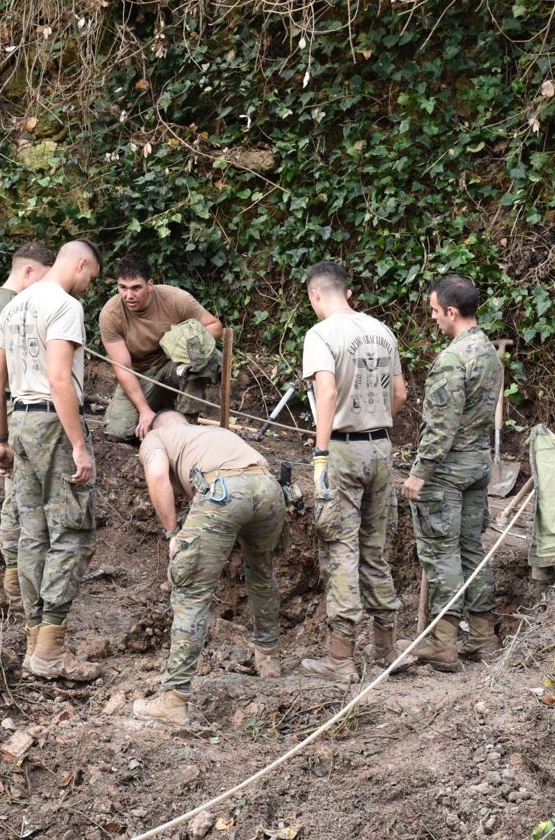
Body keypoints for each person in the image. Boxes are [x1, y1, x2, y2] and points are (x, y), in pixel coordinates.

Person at [0, 240, 104, 682]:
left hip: (19, 421)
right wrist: (78, 444)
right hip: (53, 423)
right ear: (80, 264)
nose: (89, 286)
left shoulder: (13, 308)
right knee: (71, 531)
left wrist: (1, 438)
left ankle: (35, 642)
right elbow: (59, 377)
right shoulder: (65, 305)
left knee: (32, 533)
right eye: (91, 276)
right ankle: (52, 650)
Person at [132, 411, 285, 725]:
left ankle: (173, 700)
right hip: (269, 489)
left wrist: (173, 533)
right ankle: (268, 657)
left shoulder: (156, 437)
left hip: (224, 491)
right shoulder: (213, 435)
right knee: (261, 572)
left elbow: (158, 475)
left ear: (157, 426)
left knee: (191, 593)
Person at [297, 262, 408, 684]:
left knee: (341, 549)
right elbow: (399, 394)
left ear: (315, 295)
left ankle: (340, 658)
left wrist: (321, 450)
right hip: (381, 448)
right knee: (374, 549)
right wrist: (376, 421)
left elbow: (325, 391)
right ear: (349, 291)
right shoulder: (381, 330)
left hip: (342, 450)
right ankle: (385, 648)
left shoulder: (320, 335)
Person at [401, 273, 504, 672]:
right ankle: (483, 636)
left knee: (440, 553)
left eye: (434, 311)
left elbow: (441, 427)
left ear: (451, 311)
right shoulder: (489, 353)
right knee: (470, 550)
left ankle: (443, 644)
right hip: (478, 467)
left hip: (446, 472)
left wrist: (419, 473)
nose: (432, 319)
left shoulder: (453, 359)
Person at [0, 242, 56, 605]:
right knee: (20, 500)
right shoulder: (15, 309)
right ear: (28, 271)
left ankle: (13, 577)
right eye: (44, 278)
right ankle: (16, 582)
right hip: (16, 409)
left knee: (14, 495)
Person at [98, 253, 223, 441]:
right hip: (141, 373)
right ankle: (161, 412)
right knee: (118, 432)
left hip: (173, 365)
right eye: (122, 287)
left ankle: (187, 427)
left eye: (136, 288)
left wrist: (184, 344)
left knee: (199, 359)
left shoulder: (175, 299)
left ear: (150, 285)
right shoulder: (110, 314)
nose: (128, 295)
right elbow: (122, 367)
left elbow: (215, 326)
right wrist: (144, 410)